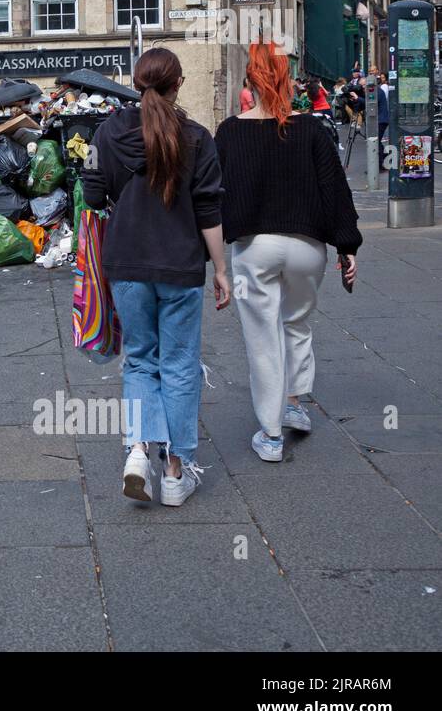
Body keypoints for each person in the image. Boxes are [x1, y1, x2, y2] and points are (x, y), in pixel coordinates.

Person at [81, 48, 230, 507]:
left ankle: (138, 451)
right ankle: (174, 471)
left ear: (135, 82)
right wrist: (221, 269)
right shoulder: (198, 137)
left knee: (141, 360)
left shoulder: (108, 132)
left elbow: (92, 193)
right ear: (178, 85)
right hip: (181, 266)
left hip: (126, 261)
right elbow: (209, 207)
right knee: (180, 364)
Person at [215, 43, 362, 462]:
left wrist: (214, 258)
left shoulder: (228, 132)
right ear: (288, 80)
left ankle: (271, 433)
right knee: (296, 324)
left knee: (262, 338)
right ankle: (295, 405)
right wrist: (347, 245)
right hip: (308, 247)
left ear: (250, 81)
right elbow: (335, 189)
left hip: (253, 247)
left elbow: (214, 196)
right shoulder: (312, 129)